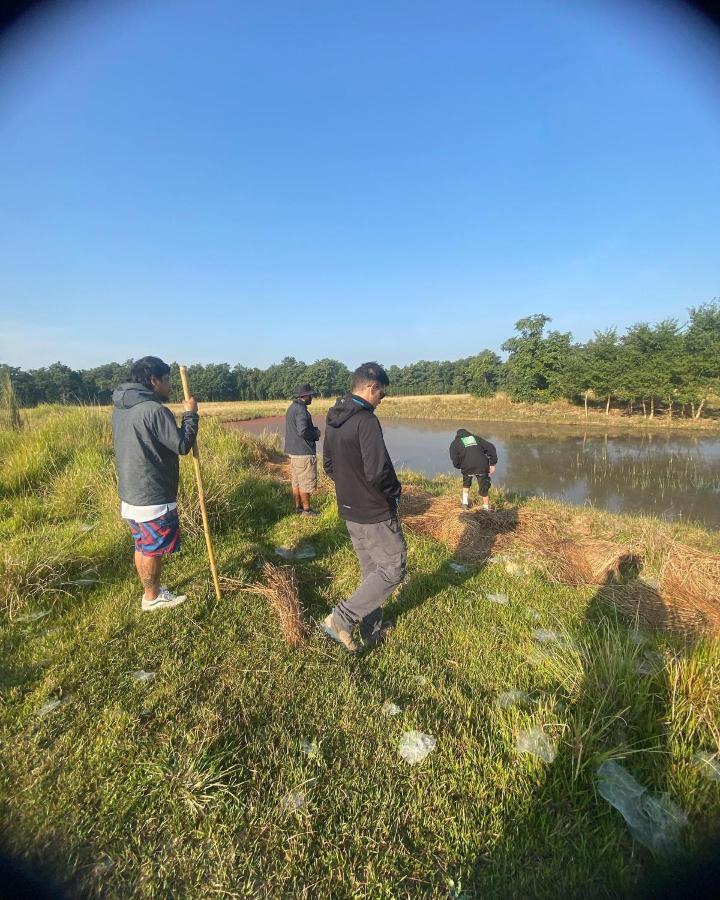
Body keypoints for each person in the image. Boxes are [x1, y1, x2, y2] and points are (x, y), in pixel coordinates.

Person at [321, 362, 406, 652]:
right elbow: (378, 471)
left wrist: (350, 487)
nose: (382, 399)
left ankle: (373, 625)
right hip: (373, 511)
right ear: (371, 388)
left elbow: (329, 466)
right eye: (382, 393)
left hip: (349, 509)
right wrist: (394, 492)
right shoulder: (366, 420)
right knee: (393, 568)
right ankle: (341, 618)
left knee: (372, 569)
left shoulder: (334, 419)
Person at [112, 357, 199, 611]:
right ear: (153, 381)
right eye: (167, 380)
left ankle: (150, 592)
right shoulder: (154, 410)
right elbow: (182, 444)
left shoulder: (121, 407)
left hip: (130, 492)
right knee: (152, 550)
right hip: (151, 494)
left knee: (142, 544)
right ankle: (152, 597)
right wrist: (190, 415)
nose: (170, 385)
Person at [284, 383, 321, 516]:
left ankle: (298, 508)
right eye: (311, 395)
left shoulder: (292, 408)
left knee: (297, 482)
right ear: (304, 396)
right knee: (305, 483)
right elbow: (302, 431)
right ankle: (307, 510)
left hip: (294, 452)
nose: (312, 397)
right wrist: (316, 434)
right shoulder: (301, 410)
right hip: (303, 453)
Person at [449, 428, 498, 511]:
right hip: (482, 465)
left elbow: (454, 458)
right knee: (484, 488)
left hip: (467, 466)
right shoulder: (476, 438)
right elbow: (491, 447)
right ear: (468, 433)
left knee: (466, 484)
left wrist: (459, 466)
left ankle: (465, 505)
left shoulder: (455, 443)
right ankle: (486, 509)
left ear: (457, 436)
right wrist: (492, 463)